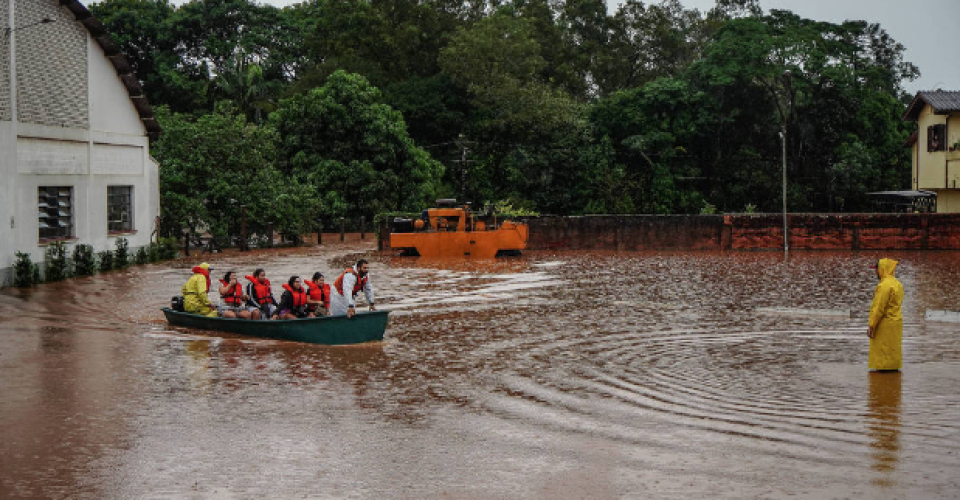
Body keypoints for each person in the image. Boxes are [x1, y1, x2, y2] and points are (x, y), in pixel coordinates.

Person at [867, 258, 904, 371]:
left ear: (882, 269)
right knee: (893, 352)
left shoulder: (884, 286)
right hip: (896, 323)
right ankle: (893, 383)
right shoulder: (897, 284)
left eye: (877, 269)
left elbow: (878, 308)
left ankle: (881, 383)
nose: (876, 272)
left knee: (882, 357)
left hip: (884, 325)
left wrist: (871, 325)